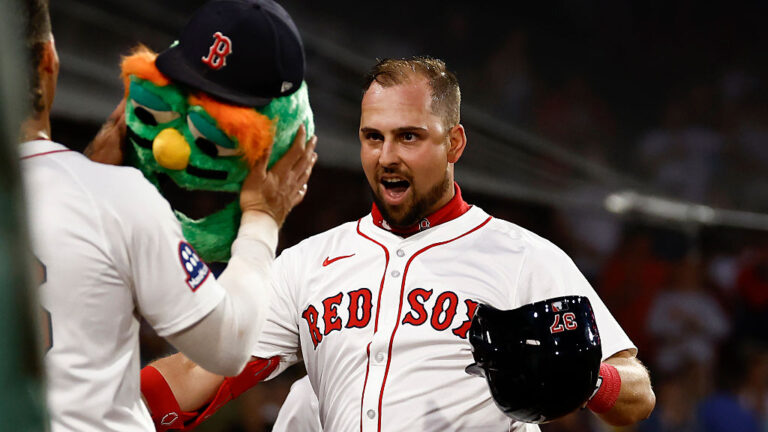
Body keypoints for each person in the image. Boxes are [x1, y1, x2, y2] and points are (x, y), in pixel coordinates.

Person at [142, 56, 655, 431]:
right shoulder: (308, 264)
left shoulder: (522, 257)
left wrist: (591, 381)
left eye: (409, 136)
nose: (387, 156)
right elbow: (196, 371)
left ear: (453, 143)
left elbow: (639, 396)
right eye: (373, 137)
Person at [18, 1, 316, 430]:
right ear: (49, 58)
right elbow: (228, 346)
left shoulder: (98, 194)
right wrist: (262, 218)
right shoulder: (119, 198)